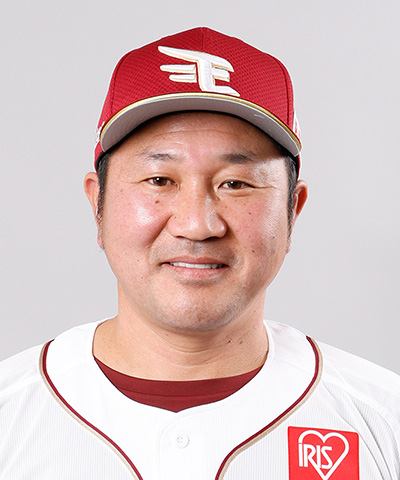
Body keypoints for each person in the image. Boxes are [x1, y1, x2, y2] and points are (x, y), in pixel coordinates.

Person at [0, 27, 399, 480]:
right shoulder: (11, 416)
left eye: (235, 183)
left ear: (293, 210)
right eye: (159, 180)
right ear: (98, 204)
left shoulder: (385, 422)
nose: (197, 224)